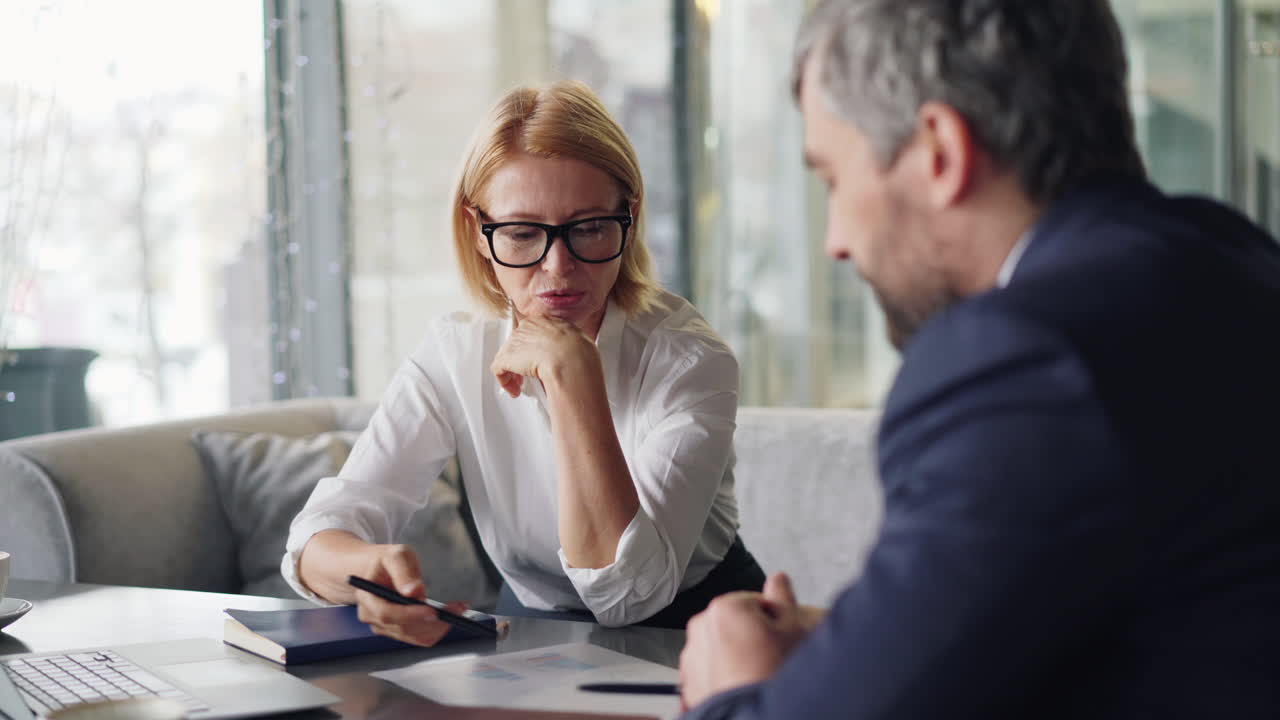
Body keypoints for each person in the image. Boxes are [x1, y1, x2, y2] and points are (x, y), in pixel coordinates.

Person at [678, 1, 1280, 717]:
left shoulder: (1023, 360)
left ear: (940, 151)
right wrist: (860, 645)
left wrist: (733, 688)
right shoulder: (1236, 259)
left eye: (833, 179)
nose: (835, 240)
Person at [282, 80, 764, 640]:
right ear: (478, 232)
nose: (558, 268)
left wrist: (573, 378)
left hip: (696, 626)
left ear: (628, 218)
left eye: (587, 229)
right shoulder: (454, 350)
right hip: (534, 625)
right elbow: (318, 535)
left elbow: (629, 595)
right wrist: (364, 576)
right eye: (520, 233)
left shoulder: (690, 360)